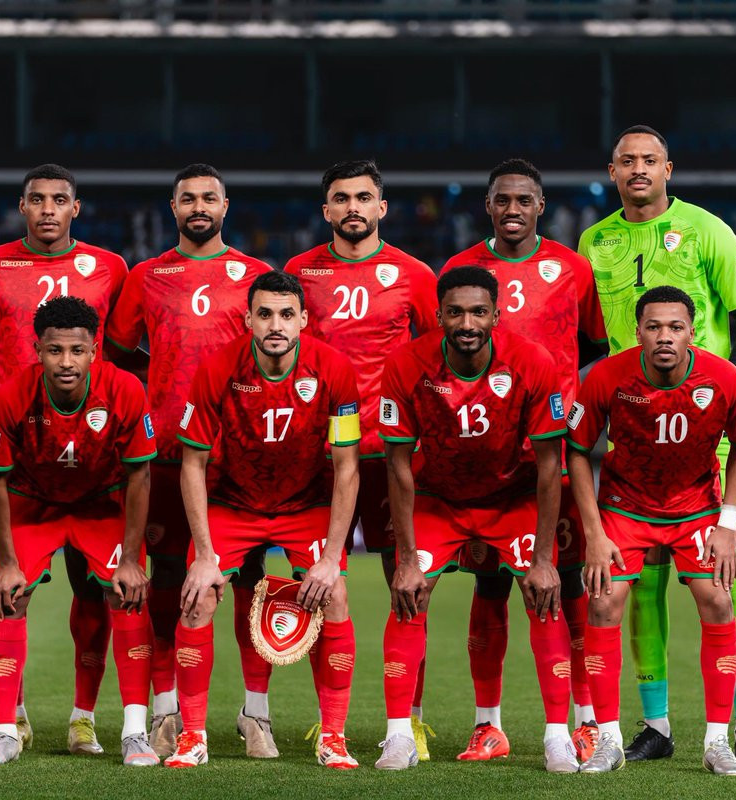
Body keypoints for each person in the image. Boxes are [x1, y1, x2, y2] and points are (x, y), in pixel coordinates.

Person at [578, 125, 736, 768]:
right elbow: (591, 341)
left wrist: (723, 390)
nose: (639, 169)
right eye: (627, 161)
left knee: (727, 580)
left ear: (669, 169)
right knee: (638, 587)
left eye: (650, 160)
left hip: (704, 432)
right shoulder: (594, 241)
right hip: (633, 433)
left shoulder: (707, 230)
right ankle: (655, 724)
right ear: (612, 171)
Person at [0, 164, 128, 755]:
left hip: (92, 455)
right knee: (10, 588)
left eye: (59, 199)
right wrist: (14, 379)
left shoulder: (111, 267)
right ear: (21, 206)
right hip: (20, 452)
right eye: (37, 199)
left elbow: (116, 349)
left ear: (76, 208)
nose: (48, 209)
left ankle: (83, 720)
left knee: (94, 591)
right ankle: (15, 717)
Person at [104, 164, 275, 758]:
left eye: (208, 197)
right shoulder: (146, 276)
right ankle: (166, 710)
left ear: (225, 206)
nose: (198, 206)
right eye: (188, 199)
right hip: (168, 456)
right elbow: (116, 352)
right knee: (167, 584)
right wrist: (157, 389)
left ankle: (256, 714)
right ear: (172, 208)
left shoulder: (254, 276)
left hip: (239, 457)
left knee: (250, 582)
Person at [376, 266, 575, 773]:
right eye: (456, 312)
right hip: (438, 500)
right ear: (438, 315)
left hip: (512, 499)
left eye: (479, 312)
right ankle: (398, 736)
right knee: (409, 595)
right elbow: (397, 465)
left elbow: (550, 466)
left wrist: (544, 560)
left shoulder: (532, 362)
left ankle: (557, 738)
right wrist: (406, 560)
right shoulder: (406, 364)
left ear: (497, 315)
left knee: (543, 595)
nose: (467, 323)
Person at [442, 159, 607, 761]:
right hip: (485, 457)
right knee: (490, 586)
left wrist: (553, 396)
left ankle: (586, 720)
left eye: (524, 200)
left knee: (568, 584)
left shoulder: (573, 268)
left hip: (554, 455)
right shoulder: (461, 270)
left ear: (541, 206)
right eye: (502, 200)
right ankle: (488, 724)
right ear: (488, 206)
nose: (513, 210)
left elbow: (593, 345)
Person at [165, 271, 361, 770]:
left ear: (304, 319)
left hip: (305, 506)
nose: (276, 325)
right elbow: (192, 464)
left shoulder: (334, 370)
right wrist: (204, 555)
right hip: (233, 504)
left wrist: (331, 559)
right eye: (265, 314)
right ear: (247, 319)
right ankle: (192, 736)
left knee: (335, 594)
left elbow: (347, 467)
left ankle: (334, 737)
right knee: (197, 596)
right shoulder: (217, 368)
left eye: (287, 314)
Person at [567, 285, 736, 776]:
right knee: (603, 603)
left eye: (675, 327)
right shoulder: (607, 376)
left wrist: (727, 522)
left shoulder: (724, 378)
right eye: (654, 327)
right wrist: (594, 533)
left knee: (718, 600)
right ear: (638, 333)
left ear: (692, 332)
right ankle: (608, 741)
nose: (664, 336)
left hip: (695, 509)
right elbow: (577, 450)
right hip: (625, 508)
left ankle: (717, 742)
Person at [283, 159, 439, 755]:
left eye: (364, 197)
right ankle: (331, 719)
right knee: (319, 588)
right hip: (319, 459)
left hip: (390, 457)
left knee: (409, 585)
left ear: (382, 208)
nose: (353, 207)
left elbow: (436, 358)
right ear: (326, 209)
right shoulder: (298, 273)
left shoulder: (415, 275)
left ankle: (412, 719)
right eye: (342, 198)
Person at [0, 296, 158, 766]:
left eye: (77, 350)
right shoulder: (12, 395)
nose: (66, 362)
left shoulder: (125, 390)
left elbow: (140, 475)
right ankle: (4, 731)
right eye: (55, 351)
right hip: (33, 503)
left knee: (125, 594)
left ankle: (131, 732)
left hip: (100, 504)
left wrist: (131, 560)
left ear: (94, 350)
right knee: (9, 595)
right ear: (38, 350)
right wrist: (7, 563)